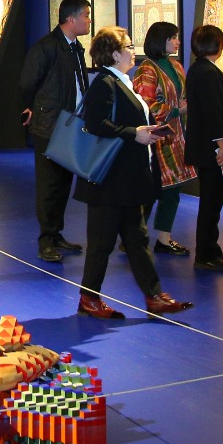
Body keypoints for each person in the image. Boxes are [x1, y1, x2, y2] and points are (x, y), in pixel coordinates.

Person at [73, 26, 193, 319]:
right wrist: (134, 133)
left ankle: (154, 296)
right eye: (128, 47)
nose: (133, 51)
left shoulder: (122, 82)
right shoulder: (104, 83)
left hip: (126, 178)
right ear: (114, 54)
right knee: (102, 242)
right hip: (109, 179)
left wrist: (145, 132)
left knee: (137, 240)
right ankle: (89, 298)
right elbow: (95, 123)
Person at [18, 0, 91, 262]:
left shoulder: (75, 48)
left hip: (71, 125)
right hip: (49, 126)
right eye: (86, 16)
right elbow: (27, 83)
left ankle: (56, 233)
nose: (89, 21)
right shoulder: (46, 48)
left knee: (62, 183)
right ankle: (46, 240)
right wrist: (31, 107)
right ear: (71, 19)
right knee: (49, 185)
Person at [183, 24, 223, 272]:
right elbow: (213, 112)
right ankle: (205, 254)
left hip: (207, 148)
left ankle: (211, 249)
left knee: (213, 201)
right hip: (211, 150)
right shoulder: (207, 73)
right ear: (217, 45)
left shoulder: (200, 69)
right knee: (211, 202)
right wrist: (222, 145)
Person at [132, 21, 193, 258]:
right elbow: (145, 104)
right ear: (162, 40)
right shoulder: (147, 69)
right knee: (150, 190)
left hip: (176, 136)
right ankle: (133, 236)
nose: (178, 41)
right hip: (155, 137)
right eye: (173, 37)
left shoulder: (175, 66)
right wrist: (177, 110)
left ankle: (163, 238)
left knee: (172, 189)